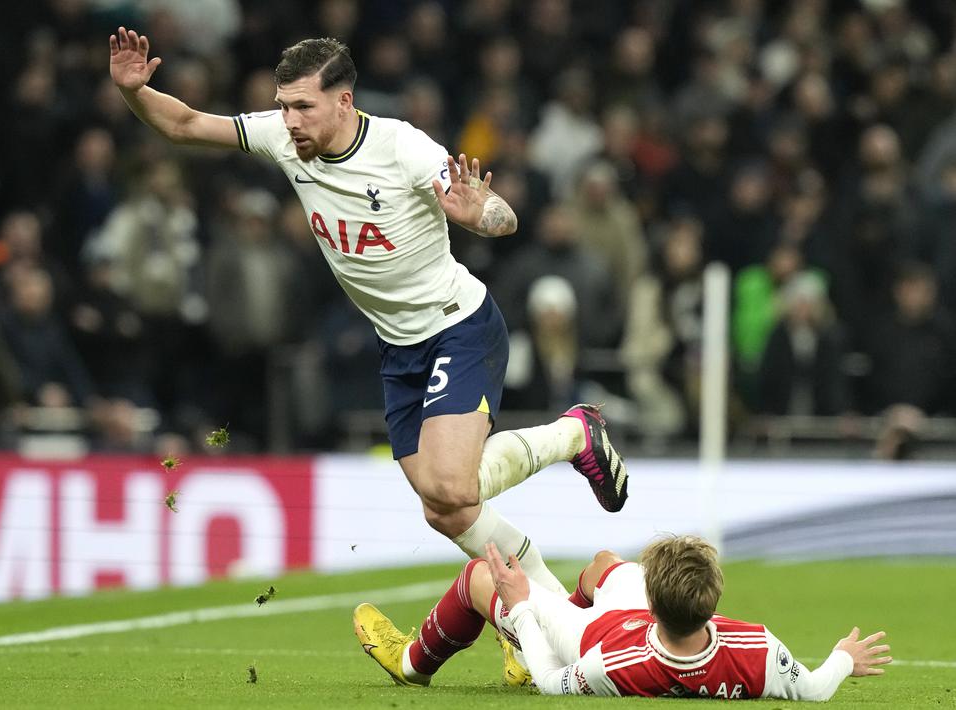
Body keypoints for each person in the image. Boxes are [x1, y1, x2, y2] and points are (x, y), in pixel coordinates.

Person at [107, 27, 629, 616]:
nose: (291, 120)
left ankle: (572, 434)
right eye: (284, 106)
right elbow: (184, 124)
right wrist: (133, 92)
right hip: (397, 347)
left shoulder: (403, 148)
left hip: (459, 326)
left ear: (344, 102)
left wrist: (479, 214)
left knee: (453, 486)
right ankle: (553, 606)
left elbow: (501, 214)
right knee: (444, 510)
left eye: (304, 106)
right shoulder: (283, 138)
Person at [354, 536, 890, 700]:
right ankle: (528, 629)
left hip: (588, 632)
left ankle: (411, 661)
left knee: (480, 577)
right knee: (607, 564)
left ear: (655, 605)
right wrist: (844, 657)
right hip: (636, 619)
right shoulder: (756, 649)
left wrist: (522, 606)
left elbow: (550, 683)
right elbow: (817, 690)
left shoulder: (614, 662)